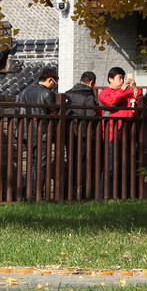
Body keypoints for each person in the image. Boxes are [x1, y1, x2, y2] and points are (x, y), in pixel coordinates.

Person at [97, 67, 142, 198]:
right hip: (111, 135)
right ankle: (104, 196)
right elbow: (109, 102)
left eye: (123, 78)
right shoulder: (105, 92)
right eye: (119, 78)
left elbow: (139, 101)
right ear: (110, 79)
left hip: (127, 135)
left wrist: (134, 89)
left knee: (125, 168)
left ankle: (121, 195)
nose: (122, 81)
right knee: (110, 168)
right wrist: (122, 90)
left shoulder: (127, 92)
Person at [16, 67, 58, 199]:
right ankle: (35, 194)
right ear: (50, 80)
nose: (54, 86)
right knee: (41, 165)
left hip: (26, 133)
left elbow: (19, 111)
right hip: (42, 135)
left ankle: (25, 193)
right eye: (54, 83)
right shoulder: (47, 94)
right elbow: (53, 114)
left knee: (31, 164)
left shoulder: (25, 91)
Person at [62, 71, 100, 199]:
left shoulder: (68, 93)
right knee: (82, 163)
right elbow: (90, 115)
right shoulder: (88, 95)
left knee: (71, 160)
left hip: (69, 132)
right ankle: (81, 193)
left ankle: (67, 192)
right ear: (92, 83)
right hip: (83, 134)